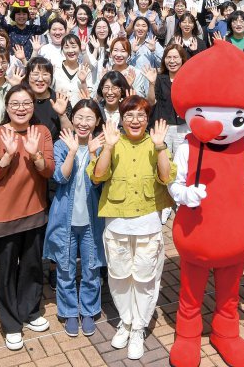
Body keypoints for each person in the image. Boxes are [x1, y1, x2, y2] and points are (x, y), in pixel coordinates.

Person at [90, 96, 174, 361]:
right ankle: (125, 321)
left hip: (147, 223)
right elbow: (98, 175)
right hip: (117, 222)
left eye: (141, 115)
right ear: (121, 119)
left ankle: (139, 326)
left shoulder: (155, 144)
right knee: (119, 275)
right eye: (129, 116)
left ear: (147, 119)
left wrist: (160, 148)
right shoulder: (113, 143)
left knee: (146, 278)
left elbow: (165, 177)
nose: (135, 120)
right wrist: (108, 148)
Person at [0, 85, 54, 351]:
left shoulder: (42, 132)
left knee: (32, 266)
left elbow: (48, 171)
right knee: (6, 271)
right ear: (7, 106)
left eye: (26, 103)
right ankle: (11, 323)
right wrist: (8, 156)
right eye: (15, 103)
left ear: (33, 106)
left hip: (34, 211)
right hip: (4, 215)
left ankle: (31, 311)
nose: (21, 108)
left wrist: (35, 154)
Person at [45, 99, 105, 337]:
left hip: (92, 220)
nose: (83, 123)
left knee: (91, 268)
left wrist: (92, 154)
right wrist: (72, 151)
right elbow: (60, 177)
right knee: (65, 268)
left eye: (89, 118)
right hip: (64, 220)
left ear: (98, 121)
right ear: (72, 119)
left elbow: (99, 180)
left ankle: (89, 310)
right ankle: (70, 311)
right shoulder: (61, 144)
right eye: (79, 117)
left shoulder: (102, 146)